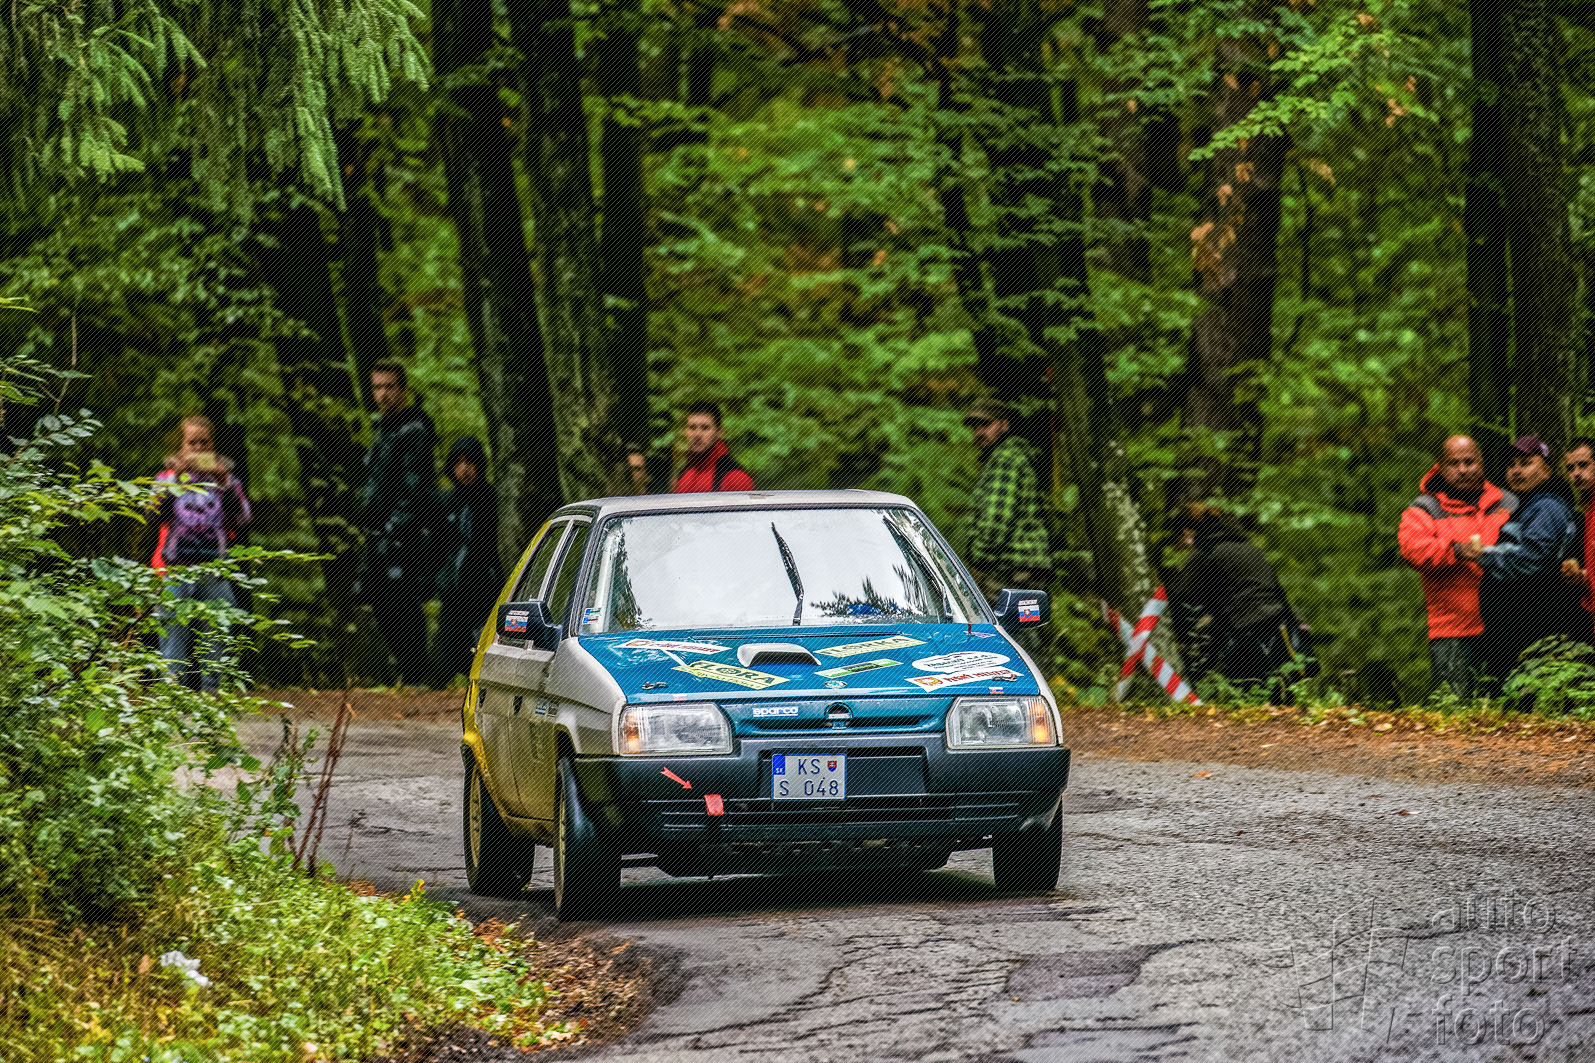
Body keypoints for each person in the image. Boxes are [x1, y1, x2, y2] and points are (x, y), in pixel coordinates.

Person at [1458, 434, 1585, 682]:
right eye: (1511, 465)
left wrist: (1483, 554)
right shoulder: (1529, 505)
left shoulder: (1547, 506)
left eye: (1526, 463)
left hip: (1534, 628)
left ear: (1546, 470)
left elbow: (1530, 558)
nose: (1516, 471)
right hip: (1521, 629)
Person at [1397, 435, 1516, 696]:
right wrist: (1457, 550)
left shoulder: (1507, 502)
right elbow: (1413, 549)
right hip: (1453, 629)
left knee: (1511, 710)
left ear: (1481, 463)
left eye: (1469, 462)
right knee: (1455, 710)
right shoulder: (1424, 508)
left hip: (1509, 625)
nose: (1463, 470)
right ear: (1440, 467)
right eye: (1454, 463)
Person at [151, 414, 253, 691]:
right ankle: (173, 695)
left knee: (217, 635)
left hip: (214, 570)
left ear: (212, 445)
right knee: (173, 637)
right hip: (175, 569)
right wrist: (175, 480)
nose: (198, 448)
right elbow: (152, 514)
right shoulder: (166, 478)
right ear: (181, 446)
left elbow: (243, 519)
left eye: (204, 442)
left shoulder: (225, 479)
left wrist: (225, 482)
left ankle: (212, 695)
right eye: (192, 443)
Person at [354, 361, 439, 685]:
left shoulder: (414, 430)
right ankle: (407, 671)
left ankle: (414, 674)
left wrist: (396, 528)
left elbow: (414, 486)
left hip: (404, 534)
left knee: (402, 600)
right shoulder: (384, 429)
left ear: (403, 389)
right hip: (381, 532)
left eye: (389, 386)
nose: (383, 394)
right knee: (380, 599)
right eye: (377, 387)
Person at [1166, 504, 1308, 690]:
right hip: (1280, 626)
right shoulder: (1251, 549)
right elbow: (1278, 592)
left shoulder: (1204, 554)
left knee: (1239, 689)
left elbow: (1181, 599)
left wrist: (1180, 638)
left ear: (1187, 532)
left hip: (1244, 633)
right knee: (1278, 689)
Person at [962, 397, 1051, 602]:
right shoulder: (1013, 456)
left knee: (1000, 622)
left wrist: (979, 561)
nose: (979, 432)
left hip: (1011, 573)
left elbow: (996, 520)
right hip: (1027, 572)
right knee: (1027, 621)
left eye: (986, 424)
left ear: (1004, 425)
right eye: (975, 427)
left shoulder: (1005, 459)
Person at [433, 436, 504, 684]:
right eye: (459, 462)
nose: (465, 469)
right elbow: (438, 546)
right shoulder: (446, 501)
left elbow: (486, 546)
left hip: (482, 588)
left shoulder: (489, 498)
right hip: (452, 589)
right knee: (447, 653)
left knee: (481, 649)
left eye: (470, 462)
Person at [672, 401, 754, 493]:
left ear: (719, 432)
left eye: (705, 428)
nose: (697, 434)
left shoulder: (736, 478)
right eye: (692, 427)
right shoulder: (685, 472)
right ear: (686, 431)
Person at [1561, 437, 1595, 636]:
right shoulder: (1588, 509)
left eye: (1583, 465)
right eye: (1570, 468)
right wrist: (1582, 576)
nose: (1576, 473)